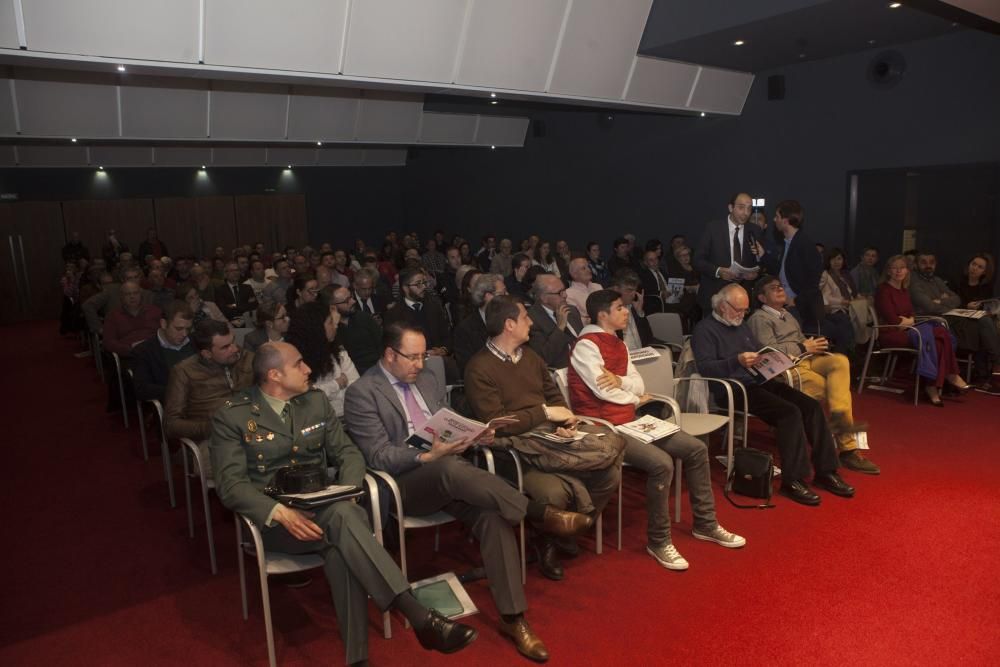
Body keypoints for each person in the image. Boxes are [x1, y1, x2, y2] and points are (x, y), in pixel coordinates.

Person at [211, 342, 477, 666]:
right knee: (346, 523)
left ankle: (360, 659)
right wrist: (279, 512)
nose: (309, 369)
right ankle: (418, 615)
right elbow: (230, 484)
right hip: (275, 523)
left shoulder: (315, 402)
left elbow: (348, 453)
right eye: (299, 364)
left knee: (342, 530)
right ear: (274, 375)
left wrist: (347, 489)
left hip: (327, 509)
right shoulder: (233, 415)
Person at [344, 322, 593, 662]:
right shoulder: (362, 392)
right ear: (390, 355)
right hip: (404, 484)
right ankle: (538, 513)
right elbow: (378, 455)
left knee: (492, 514)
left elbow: (447, 421)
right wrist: (426, 455)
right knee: (446, 468)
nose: (421, 364)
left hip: (452, 475)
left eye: (424, 356)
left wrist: (474, 434)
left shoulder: (428, 380)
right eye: (413, 357)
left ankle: (513, 618)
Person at [569, 289, 746, 570]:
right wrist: (634, 396)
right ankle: (659, 540)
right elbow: (604, 393)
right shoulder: (585, 346)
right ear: (603, 314)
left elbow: (639, 384)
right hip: (604, 426)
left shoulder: (619, 344)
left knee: (697, 449)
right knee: (662, 464)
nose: (627, 311)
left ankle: (706, 524)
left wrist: (626, 386)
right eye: (620, 308)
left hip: (629, 419)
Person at [464, 296, 622, 583]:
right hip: (513, 452)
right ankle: (547, 540)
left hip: (551, 439)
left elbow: (554, 397)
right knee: (553, 493)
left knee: (609, 474)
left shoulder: (531, 356)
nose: (532, 322)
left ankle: (566, 532)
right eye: (526, 317)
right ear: (509, 325)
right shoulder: (479, 368)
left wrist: (567, 422)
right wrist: (545, 413)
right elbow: (498, 424)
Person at [691, 284, 854, 505]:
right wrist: (736, 361)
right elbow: (706, 369)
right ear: (721, 306)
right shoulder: (704, 330)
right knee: (789, 413)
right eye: (738, 310)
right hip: (733, 389)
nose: (741, 315)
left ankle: (826, 471)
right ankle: (793, 480)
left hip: (758, 380)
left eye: (745, 310)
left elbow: (761, 351)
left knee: (811, 406)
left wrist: (776, 361)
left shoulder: (740, 326)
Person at [748, 276, 880, 474]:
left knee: (840, 361)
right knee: (836, 391)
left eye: (780, 286)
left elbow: (801, 341)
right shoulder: (759, 318)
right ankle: (848, 448)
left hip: (806, 359)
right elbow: (767, 351)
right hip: (787, 368)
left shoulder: (788, 314)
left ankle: (841, 433)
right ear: (762, 297)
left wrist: (812, 345)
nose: (780, 289)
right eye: (773, 288)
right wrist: (802, 346)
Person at [164, 319, 255, 475]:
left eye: (233, 342)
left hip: (253, 428)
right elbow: (170, 425)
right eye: (225, 347)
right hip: (211, 439)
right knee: (245, 462)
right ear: (207, 354)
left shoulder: (247, 358)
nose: (234, 349)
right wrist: (211, 427)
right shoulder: (184, 371)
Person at [757, 200, 824, 334]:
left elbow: (814, 283)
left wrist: (795, 301)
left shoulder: (805, 245)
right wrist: (763, 255)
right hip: (787, 306)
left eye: (777, 216)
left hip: (800, 309)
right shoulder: (788, 243)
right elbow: (781, 271)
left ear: (785, 221)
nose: (774, 219)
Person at [286, 301, 359, 417]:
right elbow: (306, 397)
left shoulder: (337, 350)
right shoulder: (295, 360)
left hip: (350, 413)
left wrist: (325, 391)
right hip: (317, 420)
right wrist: (336, 384)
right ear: (316, 328)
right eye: (330, 322)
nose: (335, 326)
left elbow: (356, 384)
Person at [693, 193, 763, 314]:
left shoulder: (754, 230)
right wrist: (718, 271)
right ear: (731, 208)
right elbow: (697, 260)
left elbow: (760, 261)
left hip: (741, 298)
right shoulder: (713, 228)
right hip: (715, 294)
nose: (746, 213)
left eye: (749, 208)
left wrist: (755, 273)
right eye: (741, 207)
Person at [131, 301, 196, 403]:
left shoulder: (195, 341)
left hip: (208, 398)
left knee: (228, 406)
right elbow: (142, 389)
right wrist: (181, 391)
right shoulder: (144, 351)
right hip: (178, 405)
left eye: (188, 329)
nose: (184, 334)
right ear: (163, 324)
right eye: (179, 329)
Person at [954, 253, 1000, 394]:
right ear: (968, 265)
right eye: (973, 264)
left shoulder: (985, 288)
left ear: (985, 272)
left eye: (980, 267)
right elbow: (949, 306)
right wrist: (966, 306)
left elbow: (988, 308)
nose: (975, 268)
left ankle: (985, 377)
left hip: (979, 324)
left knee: (986, 325)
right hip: (960, 323)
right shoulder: (956, 283)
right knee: (985, 325)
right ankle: (996, 363)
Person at [381, 266, 452, 358]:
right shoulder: (394, 315)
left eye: (424, 282)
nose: (423, 287)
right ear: (405, 288)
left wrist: (443, 350)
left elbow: (447, 335)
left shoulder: (434, 306)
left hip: (438, 359)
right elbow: (393, 347)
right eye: (418, 284)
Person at [453, 273, 507, 374]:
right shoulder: (465, 329)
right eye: (502, 294)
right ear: (487, 296)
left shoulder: (509, 322)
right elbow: (468, 368)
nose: (507, 297)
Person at [527, 273, 582, 368]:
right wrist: (560, 328)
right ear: (544, 298)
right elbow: (544, 357)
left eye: (564, 290)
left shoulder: (572, 310)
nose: (565, 295)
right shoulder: (531, 320)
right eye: (559, 293)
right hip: (562, 372)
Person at [818, 248, 861, 358]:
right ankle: (844, 354)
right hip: (833, 310)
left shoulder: (845, 275)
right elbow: (823, 295)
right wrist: (842, 301)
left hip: (849, 308)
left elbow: (853, 292)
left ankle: (844, 354)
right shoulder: (825, 274)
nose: (836, 262)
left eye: (839, 259)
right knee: (844, 323)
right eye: (833, 259)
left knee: (850, 324)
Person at [102, 281, 162, 358]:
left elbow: (164, 332)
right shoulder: (112, 316)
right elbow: (108, 342)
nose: (132, 297)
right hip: (131, 355)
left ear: (141, 294)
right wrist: (129, 349)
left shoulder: (154, 310)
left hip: (155, 350)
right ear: (121, 297)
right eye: (127, 294)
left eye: (135, 293)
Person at [610, 271, 659, 350]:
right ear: (616, 289)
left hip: (642, 354)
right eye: (629, 290)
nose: (633, 294)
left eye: (634, 290)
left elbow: (648, 338)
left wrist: (639, 312)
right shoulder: (609, 312)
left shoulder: (634, 307)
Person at [565, 258, 603, 325]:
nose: (589, 270)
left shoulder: (598, 287)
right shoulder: (568, 294)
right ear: (574, 274)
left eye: (588, 266)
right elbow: (577, 321)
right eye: (583, 268)